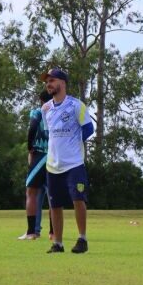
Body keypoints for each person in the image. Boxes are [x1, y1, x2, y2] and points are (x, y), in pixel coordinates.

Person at [41, 68, 94, 254]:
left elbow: (88, 128)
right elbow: (49, 134)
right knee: (54, 205)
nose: (48, 84)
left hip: (74, 164)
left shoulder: (76, 105)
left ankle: (82, 239)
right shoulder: (45, 108)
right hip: (53, 165)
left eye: (52, 80)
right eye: (47, 81)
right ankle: (58, 243)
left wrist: (73, 144)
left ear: (62, 83)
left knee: (78, 199)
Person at [19, 90, 53, 241]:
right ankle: (54, 233)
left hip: (40, 154)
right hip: (56, 156)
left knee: (31, 192)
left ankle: (32, 232)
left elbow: (33, 127)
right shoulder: (58, 113)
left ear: (40, 99)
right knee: (54, 195)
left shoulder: (37, 112)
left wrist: (29, 147)